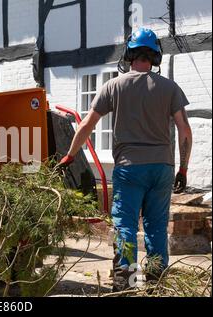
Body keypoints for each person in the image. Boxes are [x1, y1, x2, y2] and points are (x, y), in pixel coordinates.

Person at [59, 27, 193, 292]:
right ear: (155, 57)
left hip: (129, 169)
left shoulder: (113, 86)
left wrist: (70, 155)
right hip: (162, 168)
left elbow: (86, 125)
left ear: (129, 54)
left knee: (126, 226)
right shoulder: (170, 88)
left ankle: (125, 286)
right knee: (156, 228)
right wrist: (184, 169)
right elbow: (185, 131)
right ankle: (156, 287)